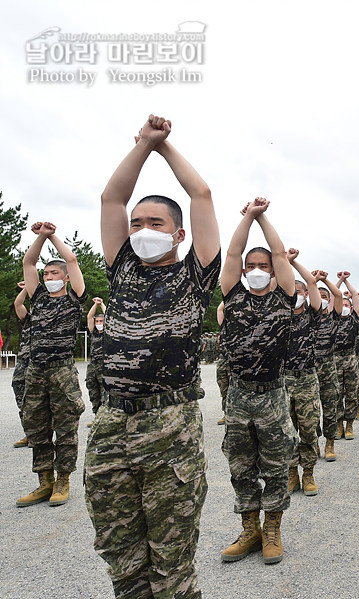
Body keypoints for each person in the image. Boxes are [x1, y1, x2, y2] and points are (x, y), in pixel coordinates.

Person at [85, 114, 220, 598]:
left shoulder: (194, 276)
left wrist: (162, 147)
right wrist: (140, 146)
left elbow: (201, 196)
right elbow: (112, 199)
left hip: (169, 425)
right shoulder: (123, 269)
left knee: (171, 558)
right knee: (121, 553)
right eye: (137, 223)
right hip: (110, 424)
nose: (142, 229)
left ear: (179, 234)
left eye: (155, 223)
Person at [219, 197, 298, 565]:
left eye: (261, 266)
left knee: (276, 463)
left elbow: (280, 254)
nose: (255, 270)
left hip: (272, 395)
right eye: (251, 266)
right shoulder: (233, 296)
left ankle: (272, 530)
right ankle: (249, 529)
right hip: (238, 395)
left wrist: (262, 218)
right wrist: (246, 219)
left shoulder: (284, 299)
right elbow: (231, 256)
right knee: (240, 464)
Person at [16, 222, 86, 509]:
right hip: (36, 370)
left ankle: (63, 480)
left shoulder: (74, 300)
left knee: (65, 428)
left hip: (61, 372)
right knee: (36, 426)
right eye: (46, 274)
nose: (48, 277)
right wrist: (39, 238)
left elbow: (71, 259)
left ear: (66, 278)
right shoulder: (39, 298)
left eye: (54, 273)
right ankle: (44, 481)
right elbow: (28, 261)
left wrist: (52, 235)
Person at [283, 249, 323, 497]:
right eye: (291, 293)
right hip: (283, 380)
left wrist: (292, 261)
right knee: (286, 431)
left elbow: (310, 281)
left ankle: (308, 473)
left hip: (307, 379)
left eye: (298, 293)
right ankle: (291, 474)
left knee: (308, 429)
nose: (295, 296)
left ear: (306, 295)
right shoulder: (279, 315)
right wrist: (281, 266)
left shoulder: (312, 315)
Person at [313, 270, 343, 461]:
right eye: (319, 296)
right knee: (311, 409)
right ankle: (313, 442)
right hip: (309, 368)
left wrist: (324, 279)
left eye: (325, 296)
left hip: (328, 367)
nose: (322, 299)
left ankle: (329, 443)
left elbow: (338, 295)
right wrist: (312, 282)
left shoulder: (332, 317)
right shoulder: (306, 317)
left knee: (330, 407)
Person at [334, 275, 359, 440]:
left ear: (351, 309)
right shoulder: (332, 318)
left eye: (347, 305)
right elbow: (332, 296)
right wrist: (337, 283)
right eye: (341, 304)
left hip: (351, 358)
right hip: (335, 359)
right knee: (336, 394)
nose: (344, 307)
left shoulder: (354, 319)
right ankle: (338, 425)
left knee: (351, 393)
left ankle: (349, 424)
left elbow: (356, 296)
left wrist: (345, 280)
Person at [11, 282, 31, 449]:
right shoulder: (29, 319)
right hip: (24, 361)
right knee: (21, 395)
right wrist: (26, 288)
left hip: (40, 362)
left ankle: (41, 436)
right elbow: (18, 304)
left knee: (39, 400)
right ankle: (29, 433)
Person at [85, 297, 106, 425]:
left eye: (101, 321)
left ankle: (104, 418)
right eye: (97, 321)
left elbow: (108, 314)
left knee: (105, 392)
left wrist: (102, 304)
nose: (98, 322)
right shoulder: (93, 332)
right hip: (93, 365)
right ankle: (97, 416)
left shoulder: (108, 332)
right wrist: (95, 305)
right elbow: (89, 317)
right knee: (93, 391)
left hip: (104, 365)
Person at [216, 301, 229, 425]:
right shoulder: (224, 325)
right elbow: (219, 310)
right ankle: (226, 414)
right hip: (223, 361)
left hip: (235, 362)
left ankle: (234, 415)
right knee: (224, 390)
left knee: (235, 390)